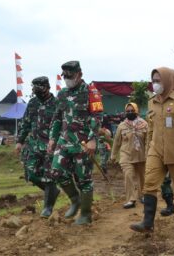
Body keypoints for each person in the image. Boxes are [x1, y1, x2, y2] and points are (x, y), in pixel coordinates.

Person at [130, 67, 174, 234]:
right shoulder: (152, 101)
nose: (155, 84)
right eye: (153, 81)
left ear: (168, 81)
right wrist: (148, 149)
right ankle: (147, 223)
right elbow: (151, 128)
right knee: (150, 184)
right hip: (156, 150)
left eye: (158, 81)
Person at [48, 61, 100, 225]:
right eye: (65, 76)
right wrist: (52, 138)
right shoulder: (62, 93)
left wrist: (92, 139)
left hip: (82, 143)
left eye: (70, 75)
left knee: (83, 179)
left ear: (79, 74)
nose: (67, 79)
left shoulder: (91, 91)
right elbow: (57, 118)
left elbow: (97, 117)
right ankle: (75, 199)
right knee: (56, 172)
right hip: (64, 142)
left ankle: (85, 214)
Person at [16, 76, 59, 217]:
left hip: (50, 147)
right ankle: (52, 190)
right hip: (34, 145)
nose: (37, 92)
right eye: (34, 89)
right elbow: (26, 123)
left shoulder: (57, 104)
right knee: (31, 175)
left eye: (39, 89)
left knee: (49, 177)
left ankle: (47, 208)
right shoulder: (33, 103)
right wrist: (19, 141)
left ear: (47, 87)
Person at [111, 102, 147, 209]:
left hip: (141, 154)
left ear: (137, 111)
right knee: (128, 176)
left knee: (142, 177)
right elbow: (117, 141)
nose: (130, 113)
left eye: (132, 111)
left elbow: (149, 141)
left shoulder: (144, 124)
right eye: (128, 111)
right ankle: (131, 199)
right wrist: (113, 155)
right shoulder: (121, 126)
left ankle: (143, 195)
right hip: (126, 155)